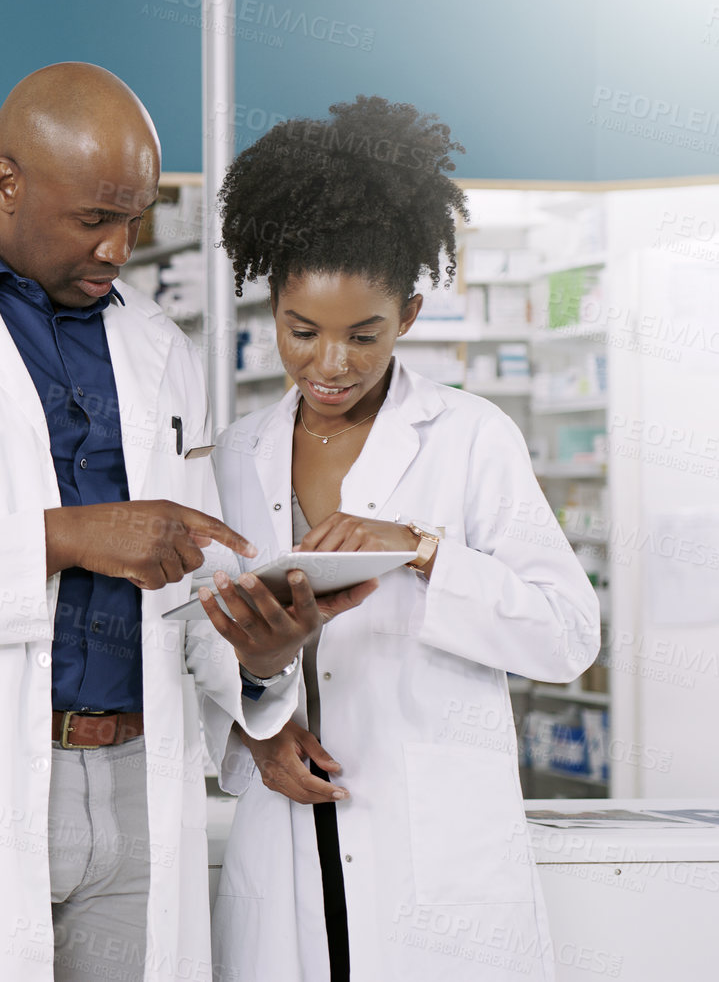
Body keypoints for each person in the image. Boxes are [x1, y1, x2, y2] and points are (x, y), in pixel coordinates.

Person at [0, 63, 374, 982]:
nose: (116, 250)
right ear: (5, 181)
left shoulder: (154, 343)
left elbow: (186, 589)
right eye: (93, 220)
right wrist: (66, 536)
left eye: (133, 220)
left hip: (138, 775)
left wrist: (260, 666)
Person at [205, 96, 601, 982]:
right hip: (289, 835)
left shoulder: (469, 437)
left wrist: (424, 550)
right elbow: (197, 653)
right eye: (301, 332)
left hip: (434, 849)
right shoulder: (236, 454)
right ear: (272, 307)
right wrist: (252, 736)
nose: (330, 364)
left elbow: (567, 635)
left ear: (411, 314)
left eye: (364, 335)